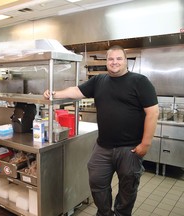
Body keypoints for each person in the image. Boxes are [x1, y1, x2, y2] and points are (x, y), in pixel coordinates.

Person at [43, 45, 159, 216]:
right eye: (111, 59)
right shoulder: (99, 81)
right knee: (97, 182)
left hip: (130, 149)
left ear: (126, 61)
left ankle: (122, 213)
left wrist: (145, 144)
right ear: (106, 62)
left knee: (128, 187)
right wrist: (55, 93)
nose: (114, 62)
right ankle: (104, 213)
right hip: (103, 146)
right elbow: (76, 91)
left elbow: (153, 112)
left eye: (119, 58)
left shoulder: (140, 82)